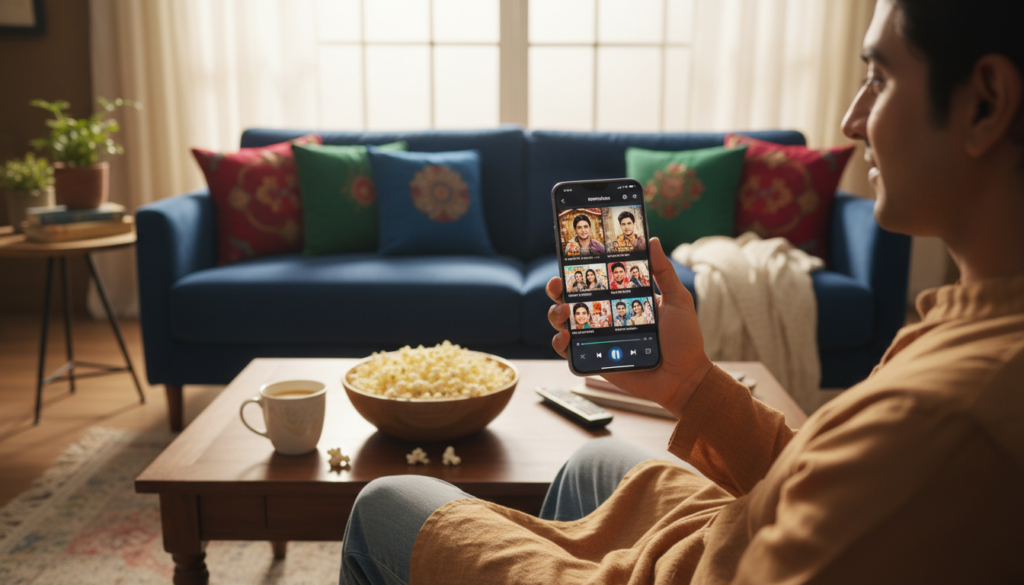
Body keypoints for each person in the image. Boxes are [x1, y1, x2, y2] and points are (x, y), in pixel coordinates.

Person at [339, 2, 1024, 582]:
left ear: (985, 102)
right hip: (731, 532)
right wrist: (691, 382)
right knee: (595, 456)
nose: (851, 117)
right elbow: (827, 477)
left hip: (689, 567)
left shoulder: (945, 419)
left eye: (879, 75)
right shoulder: (970, 327)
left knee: (383, 502)